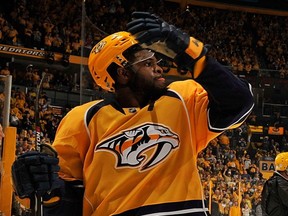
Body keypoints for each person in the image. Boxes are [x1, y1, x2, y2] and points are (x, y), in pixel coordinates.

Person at [11, 11, 254, 215]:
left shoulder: (182, 98)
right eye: (147, 63)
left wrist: (193, 53)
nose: (159, 67)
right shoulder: (83, 118)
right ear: (123, 74)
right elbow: (69, 201)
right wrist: (48, 193)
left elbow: (240, 102)